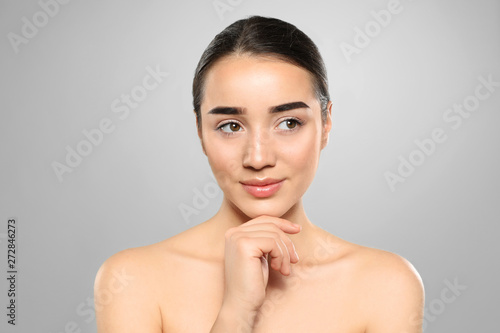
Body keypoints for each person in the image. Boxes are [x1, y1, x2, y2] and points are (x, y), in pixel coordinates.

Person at [94, 15, 424, 332]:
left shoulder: (386, 284)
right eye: (231, 126)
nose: (258, 157)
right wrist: (236, 311)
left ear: (326, 125)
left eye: (289, 123)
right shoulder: (132, 280)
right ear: (200, 132)